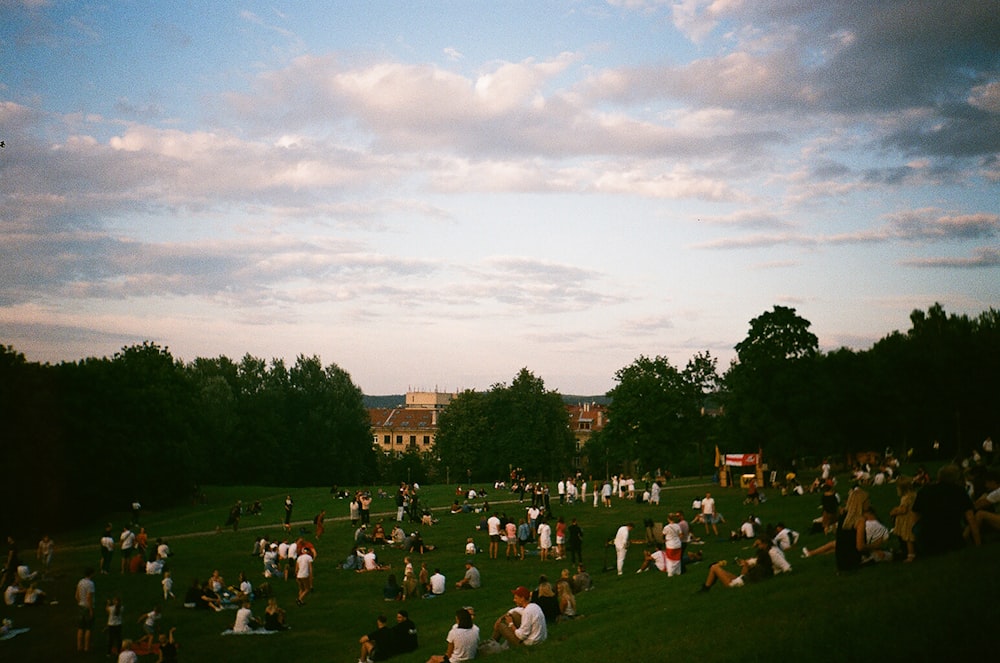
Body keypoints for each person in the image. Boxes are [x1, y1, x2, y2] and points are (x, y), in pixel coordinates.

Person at [913, 464, 980, 555]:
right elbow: (971, 518)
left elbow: (916, 518)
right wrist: (978, 543)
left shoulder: (924, 491)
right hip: (954, 541)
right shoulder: (959, 491)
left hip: (929, 543)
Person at [696, 536, 775, 592]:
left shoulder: (758, 569)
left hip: (735, 584)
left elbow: (743, 575)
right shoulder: (766, 569)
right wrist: (746, 565)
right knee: (717, 569)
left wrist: (746, 566)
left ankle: (706, 588)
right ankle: (706, 587)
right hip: (739, 581)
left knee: (714, 567)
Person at [890, 475, 918, 562]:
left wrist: (895, 511)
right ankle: (908, 551)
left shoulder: (905, 498)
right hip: (913, 517)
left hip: (908, 521)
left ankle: (911, 554)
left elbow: (904, 510)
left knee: (908, 538)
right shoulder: (913, 495)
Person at [76, 567, 96, 652]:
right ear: (91, 574)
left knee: (80, 628)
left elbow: (76, 595)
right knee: (88, 628)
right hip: (87, 607)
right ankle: (86, 647)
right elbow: (89, 597)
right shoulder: (90, 584)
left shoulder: (80, 582)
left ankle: (79, 646)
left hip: (81, 606)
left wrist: (80, 602)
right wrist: (91, 609)